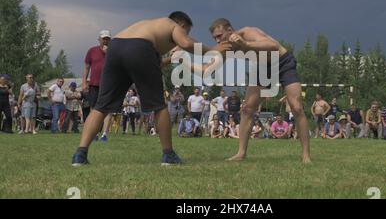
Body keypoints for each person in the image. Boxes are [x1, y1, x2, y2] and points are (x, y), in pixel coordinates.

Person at [71, 11, 230, 166]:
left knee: (101, 106)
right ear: (180, 25)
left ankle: (80, 154)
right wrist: (213, 50)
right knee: (159, 106)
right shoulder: (170, 24)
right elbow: (186, 43)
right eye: (185, 31)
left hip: (116, 47)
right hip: (140, 47)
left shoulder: (149, 28)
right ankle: (168, 154)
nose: (181, 38)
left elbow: (154, 63)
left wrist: (170, 59)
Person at [209, 18, 311, 163]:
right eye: (215, 38)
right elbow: (210, 60)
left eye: (220, 36)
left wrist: (245, 44)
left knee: (297, 107)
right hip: (263, 69)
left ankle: (306, 155)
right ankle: (241, 153)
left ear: (230, 31)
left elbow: (273, 46)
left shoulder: (248, 33)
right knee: (247, 108)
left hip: (282, 62)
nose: (218, 41)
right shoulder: (227, 48)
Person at [83, 30, 113, 140]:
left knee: (107, 109)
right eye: (104, 38)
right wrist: (84, 82)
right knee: (94, 109)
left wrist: (108, 53)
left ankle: (104, 134)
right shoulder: (92, 51)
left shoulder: (113, 51)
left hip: (109, 84)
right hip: (94, 84)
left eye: (108, 39)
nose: (106, 41)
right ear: (99, 39)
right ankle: (94, 132)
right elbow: (87, 68)